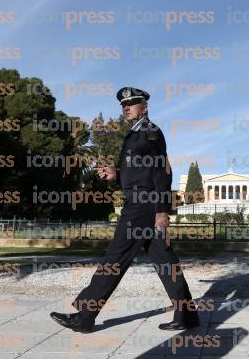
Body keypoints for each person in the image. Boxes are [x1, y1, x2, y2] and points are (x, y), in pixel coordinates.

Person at [50, 87, 199, 333]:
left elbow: (162, 171)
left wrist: (162, 210)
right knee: (165, 261)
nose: (126, 107)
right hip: (144, 203)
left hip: (142, 206)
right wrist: (116, 175)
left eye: (132, 103)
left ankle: (85, 316)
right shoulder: (135, 135)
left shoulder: (150, 133)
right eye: (124, 105)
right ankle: (187, 315)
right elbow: (139, 172)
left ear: (145, 107)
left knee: (115, 258)